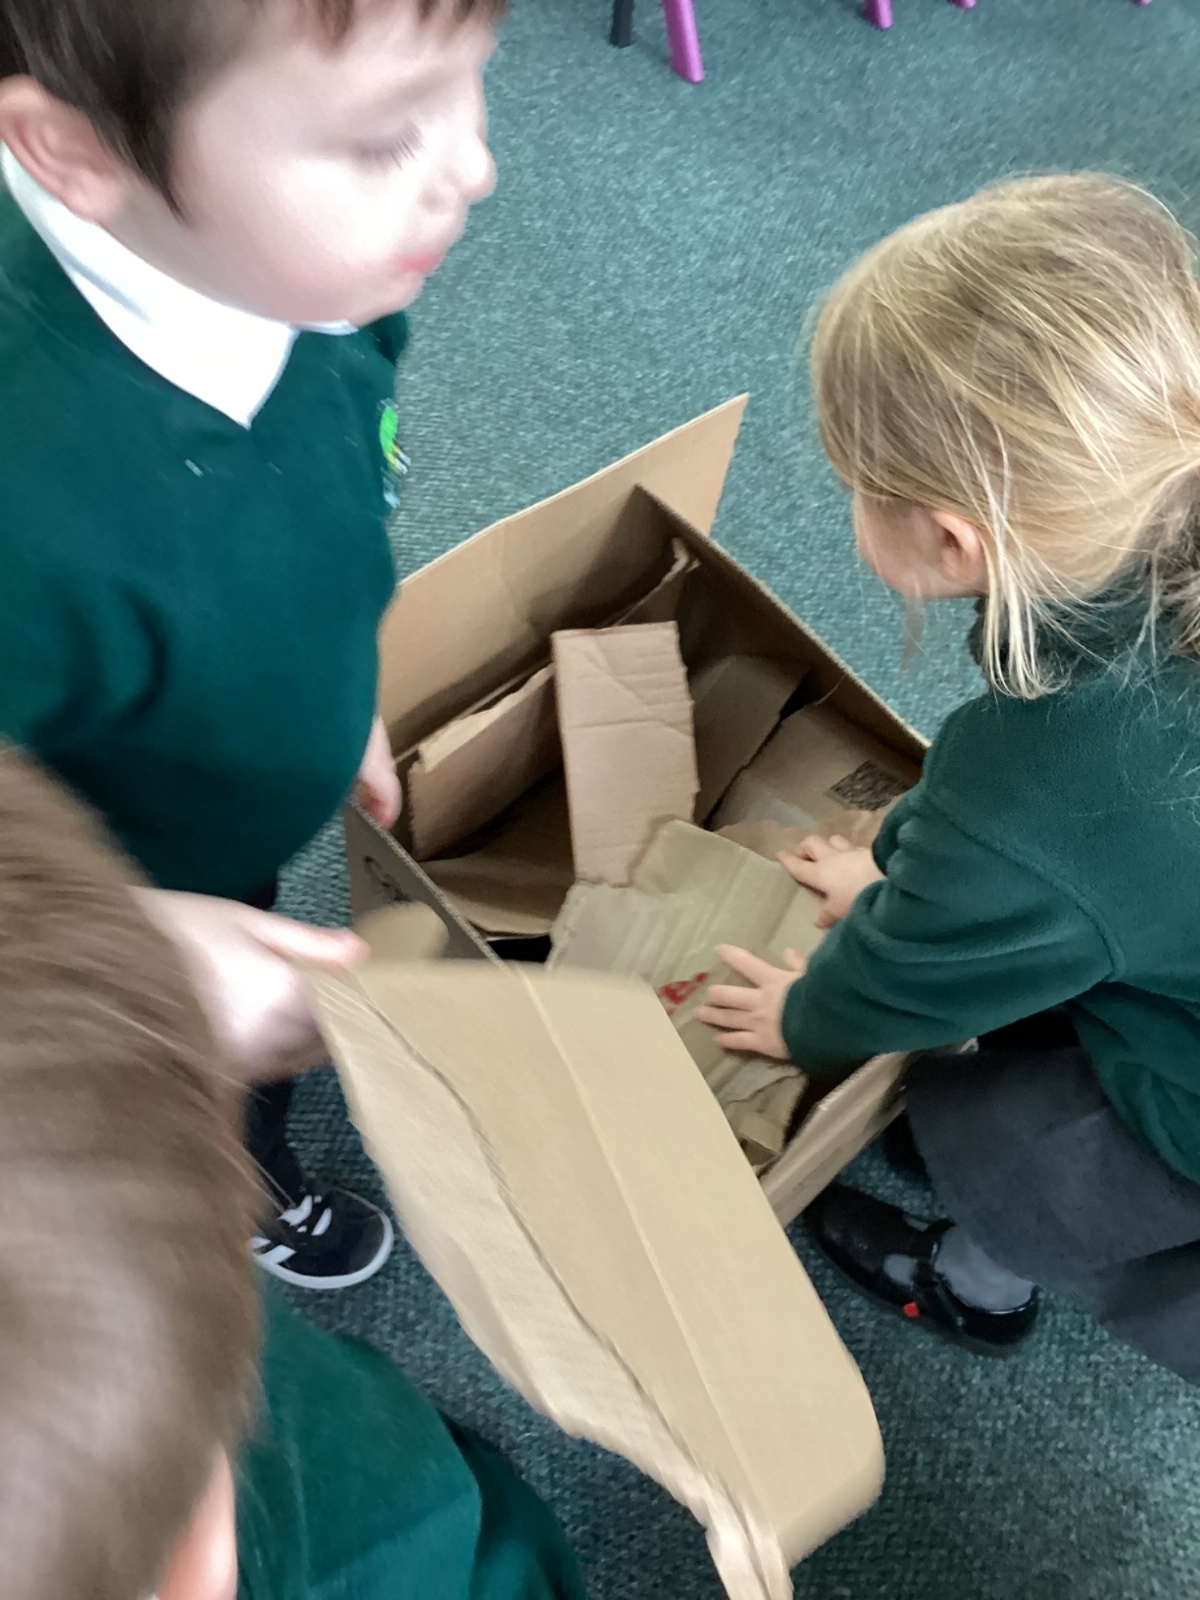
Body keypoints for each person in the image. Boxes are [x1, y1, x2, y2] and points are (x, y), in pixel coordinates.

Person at [0, 0, 499, 1287]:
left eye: (472, 84)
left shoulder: (320, 278)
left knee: (254, 1009)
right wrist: (133, 946)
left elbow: (339, 479)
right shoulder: (29, 498)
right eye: (385, 137)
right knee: (150, 1096)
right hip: (86, 915)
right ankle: (215, 1178)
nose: (474, 168)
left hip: (212, 813)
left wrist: (342, 672)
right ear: (75, 152)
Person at [697, 174, 1200, 1384]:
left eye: (857, 488)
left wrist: (806, 1018)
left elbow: (913, 970)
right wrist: (899, 858)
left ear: (951, 539)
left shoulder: (1044, 784)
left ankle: (973, 1279)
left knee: (1045, 1161)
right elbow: (1041, 853)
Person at [0, 744, 587, 1600]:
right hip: (386, 1510)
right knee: (432, 1503)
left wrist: (111, 962)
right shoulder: (382, 1538)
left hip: (199, 1404)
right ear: (195, 1569)